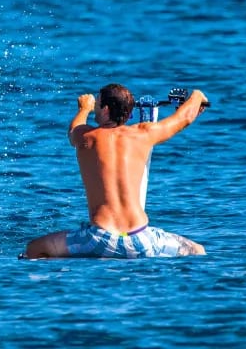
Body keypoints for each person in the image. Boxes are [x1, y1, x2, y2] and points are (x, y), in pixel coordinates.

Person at [21, 84, 208, 259]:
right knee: (198, 250)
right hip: (141, 240)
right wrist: (197, 96)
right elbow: (184, 118)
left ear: (106, 109)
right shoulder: (144, 134)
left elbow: (73, 130)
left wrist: (84, 108)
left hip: (99, 240)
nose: (95, 106)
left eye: (98, 102)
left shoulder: (87, 136)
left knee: (33, 250)